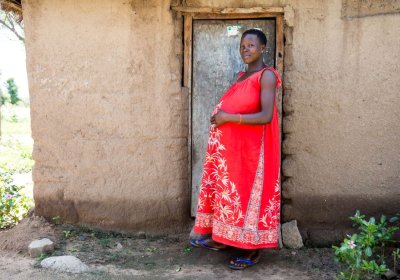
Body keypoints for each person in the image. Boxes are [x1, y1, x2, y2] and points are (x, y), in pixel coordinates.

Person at [190, 28, 282, 270]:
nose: (246, 49)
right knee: (232, 197)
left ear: (263, 48)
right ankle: (226, 239)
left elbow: (264, 116)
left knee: (249, 196)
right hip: (232, 152)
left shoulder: (267, 75)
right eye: (243, 46)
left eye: (251, 45)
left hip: (253, 152)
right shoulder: (242, 75)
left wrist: (228, 117)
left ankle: (250, 251)